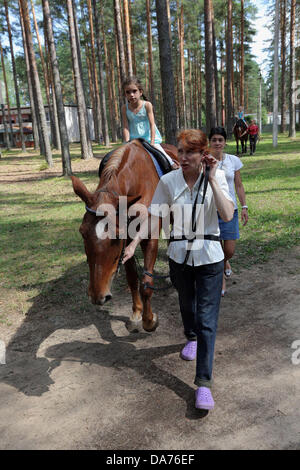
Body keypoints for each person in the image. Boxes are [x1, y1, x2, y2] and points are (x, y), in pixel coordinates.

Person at [122, 129, 234, 411]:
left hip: (209, 258)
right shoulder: (168, 181)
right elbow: (154, 217)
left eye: (189, 152)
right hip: (179, 258)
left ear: (202, 154)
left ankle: (204, 384)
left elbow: (227, 215)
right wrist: (134, 243)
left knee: (207, 319)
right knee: (187, 305)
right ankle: (190, 337)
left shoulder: (215, 177)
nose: (182, 157)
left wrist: (212, 180)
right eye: (181, 152)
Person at [209, 127, 249, 296]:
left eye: (220, 140)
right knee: (216, 248)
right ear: (210, 142)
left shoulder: (233, 160)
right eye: (214, 140)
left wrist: (244, 206)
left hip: (230, 209)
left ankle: (225, 262)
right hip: (211, 210)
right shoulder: (205, 160)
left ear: (225, 142)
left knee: (229, 250)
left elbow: (238, 185)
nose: (217, 143)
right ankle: (221, 280)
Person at [121, 76, 179, 169]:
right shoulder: (124, 108)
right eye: (128, 92)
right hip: (134, 140)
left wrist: (152, 142)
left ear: (140, 92)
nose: (131, 95)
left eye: (134, 91)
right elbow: (126, 127)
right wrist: (127, 142)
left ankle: (172, 165)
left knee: (161, 152)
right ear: (125, 94)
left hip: (149, 138)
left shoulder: (147, 105)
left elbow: (152, 124)